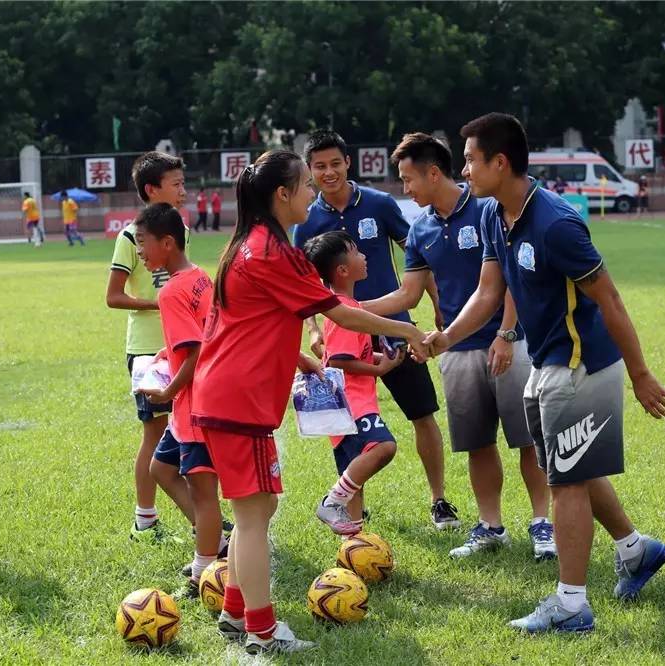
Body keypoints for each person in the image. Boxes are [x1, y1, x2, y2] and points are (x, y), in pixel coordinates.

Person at [426, 113, 665, 634]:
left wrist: (641, 374)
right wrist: (447, 336)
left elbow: (610, 299)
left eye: (470, 160)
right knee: (569, 468)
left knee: (565, 483)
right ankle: (636, 550)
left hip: (581, 365)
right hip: (546, 362)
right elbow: (488, 292)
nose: (464, 170)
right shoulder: (494, 214)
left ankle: (571, 605)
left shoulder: (555, 223)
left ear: (500, 162)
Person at [191, 150, 430, 654]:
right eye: (305, 185)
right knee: (253, 516)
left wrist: (298, 358)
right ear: (282, 194)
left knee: (261, 506)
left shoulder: (249, 245)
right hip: (238, 400)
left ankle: (236, 613)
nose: (312, 193)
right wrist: (406, 329)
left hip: (228, 395)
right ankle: (261, 632)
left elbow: (245, 322)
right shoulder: (271, 252)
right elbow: (341, 312)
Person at [363, 133, 556, 562]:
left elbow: (510, 277)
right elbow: (408, 294)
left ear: (434, 173)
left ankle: (543, 523)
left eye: (408, 179)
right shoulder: (421, 229)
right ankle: (491, 526)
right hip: (456, 348)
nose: (405, 189)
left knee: (528, 440)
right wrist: (352, 309)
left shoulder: (487, 208)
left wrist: (507, 333)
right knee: (477, 442)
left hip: (510, 343)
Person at [293, 130, 459, 530]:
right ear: (310, 171)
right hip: (342, 334)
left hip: (393, 329)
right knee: (351, 424)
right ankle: (353, 508)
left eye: (335, 163)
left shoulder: (380, 204)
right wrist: (314, 329)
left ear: (348, 163)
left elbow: (417, 255)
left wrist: (436, 302)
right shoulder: (307, 220)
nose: (329, 172)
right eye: (320, 166)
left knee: (422, 413)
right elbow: (304, 286)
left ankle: (438, 499)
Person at [132, 203, 224, 600]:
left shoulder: (171, 292)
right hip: (196, 402)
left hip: (196, 404)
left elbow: (196, 352)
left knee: (203, 491)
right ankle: (216, 541)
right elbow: (199, 338)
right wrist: (166, 355)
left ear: (167, 243)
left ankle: (204, 570)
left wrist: (168, 392)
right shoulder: (198, 275)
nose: (139, 251)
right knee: (161, 468)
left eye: (142, 242)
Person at [106, 151, 196, 543]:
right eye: (176, 184)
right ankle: (144, 521)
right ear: (152, 189)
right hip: (147, 349)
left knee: (187, 430)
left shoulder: (181, 230)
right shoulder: (131, 237)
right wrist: (160, 304)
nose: (183, 190)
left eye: (182, 182)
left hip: (181, 344)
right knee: (155, 435)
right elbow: (113, 296)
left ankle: (202, 515)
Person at [303, 231, 403, 536]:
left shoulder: (345, 306)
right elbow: (338, 361)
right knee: (384, 447)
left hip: (345, 409)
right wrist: (379, 369)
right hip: (353, 406)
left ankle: (354, 544)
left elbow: (349, 353)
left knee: (355, 483)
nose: (364, 256)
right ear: (343, 270)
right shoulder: (346, 309)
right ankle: (331, 501)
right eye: (356, 251)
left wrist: (383, 358)